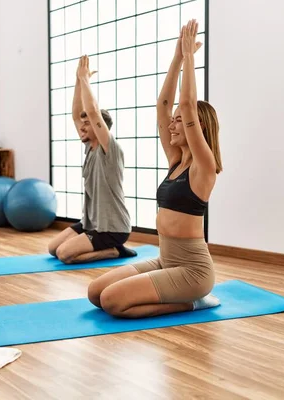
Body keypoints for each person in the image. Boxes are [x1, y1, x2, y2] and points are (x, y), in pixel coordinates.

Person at [87, 19, 223, 318]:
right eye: (174, 120)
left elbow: (186, 105)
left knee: (113, 302)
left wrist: (190, 59)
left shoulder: (204, 166)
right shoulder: (176, 160)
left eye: (180, 121)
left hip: (192, 269)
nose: (172, 124)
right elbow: (163, 105)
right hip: (165, 260)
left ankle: (195, 301)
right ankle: (184, 297)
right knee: (96, 292)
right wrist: (176, 57)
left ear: (197, 127)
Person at [48, 55, 137, 264]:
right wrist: (79, 81)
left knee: (65, 255)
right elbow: (76, 114)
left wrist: (85, 80)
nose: (82, 127)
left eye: (87, 124)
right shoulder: (90, 148)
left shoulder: (110, 150)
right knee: (53, 248)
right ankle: (103, 245)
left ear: (100, 128)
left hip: (112, 227)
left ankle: (114, 251)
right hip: (91, 223)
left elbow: (93, 112)